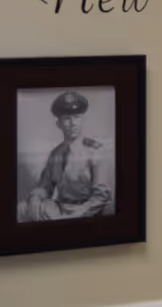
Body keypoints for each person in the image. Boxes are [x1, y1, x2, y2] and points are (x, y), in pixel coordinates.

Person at [17, 92, 113, 223]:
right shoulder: (55, 154)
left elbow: (101, 196)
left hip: (89, 210)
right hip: (62, 208)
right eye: (67, 118)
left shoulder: (96, 151)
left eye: (77, 117)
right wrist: (35, 197)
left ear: (82, 119)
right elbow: (45, 186)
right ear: (59, 124)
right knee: (21, 209)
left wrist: (79, 213)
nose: (73, 123)